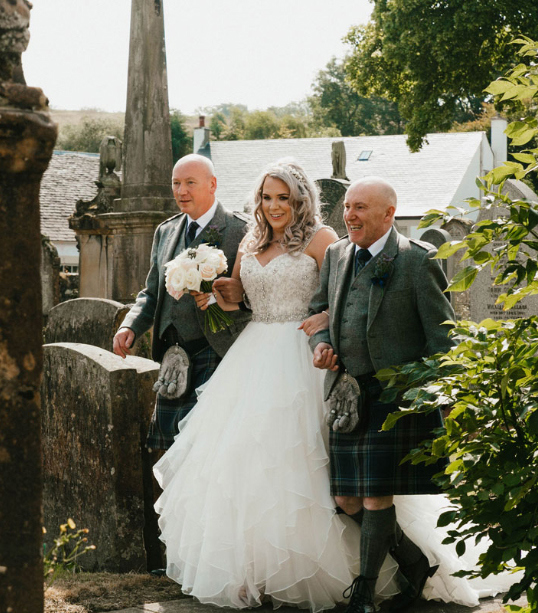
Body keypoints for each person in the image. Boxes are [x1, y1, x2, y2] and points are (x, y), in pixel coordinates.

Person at [154, 163, 512, 611]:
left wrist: (324, 323)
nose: (275, 206)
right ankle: (258, 572)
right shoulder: (250, 240)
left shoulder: (323, 239)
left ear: (301, 199)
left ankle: (377, 568)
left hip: (306, 360)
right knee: (247, 468)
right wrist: (219, 294)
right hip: (253, 357)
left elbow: (336, 295)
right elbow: (244, 301)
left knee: (324, 477)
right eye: (267, 197)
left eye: (284, 198)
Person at [309, 176, 464, 613]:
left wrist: (445, 396)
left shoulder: (417, 262)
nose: (350, 215)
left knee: (377, 495)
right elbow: (317, 311)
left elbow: (442, 336)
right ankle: (413, 561)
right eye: (347, 207)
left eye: (360, 208)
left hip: (397, 397)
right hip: (346, 392)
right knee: (345, 499)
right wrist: (319, 343)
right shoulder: (338, 254)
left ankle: (364, 591)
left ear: (389, 213)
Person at [113, 153, 251, 450]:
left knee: (207, 450)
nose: (181, 191)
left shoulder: (241, 230)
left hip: (217, 352)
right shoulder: (166, 230)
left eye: (190, 183)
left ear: (212, 184)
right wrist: (131, 326)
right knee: (167, 452)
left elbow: (254, 294)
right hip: (171, 354)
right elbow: (151, 292)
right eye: (176, 183)